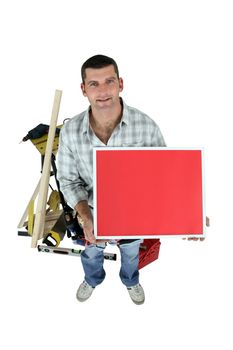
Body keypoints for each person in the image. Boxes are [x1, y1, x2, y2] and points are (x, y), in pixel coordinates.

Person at [57, 54, 166, 305]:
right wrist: (85, 216)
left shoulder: (146, 126)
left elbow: (164, 177)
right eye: (94, 84)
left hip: (133, 218)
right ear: (83, 89)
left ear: (121, 84)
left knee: (130, 254)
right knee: (92, 254)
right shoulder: (72, 131)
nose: (103, 91)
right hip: (92, 219)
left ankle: (130, 280)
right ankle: (93, 279)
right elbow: (67, 179)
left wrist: (189, 213)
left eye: (109, 81)